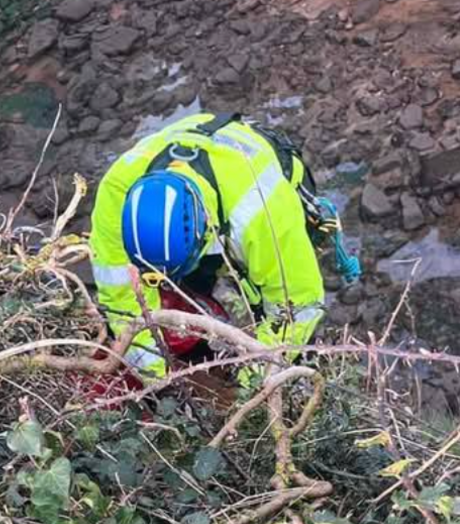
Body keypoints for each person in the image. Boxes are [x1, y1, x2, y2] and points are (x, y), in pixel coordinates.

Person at [90, 111, 330, 382]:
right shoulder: (115, 196)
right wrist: (155, 377)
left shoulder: (263, 214)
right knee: (184, 293)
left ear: (205, 231)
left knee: (283, 327)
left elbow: (300, 304)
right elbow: (120, 297)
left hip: (261, 184)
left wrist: (252, 383)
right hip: (201, 167)